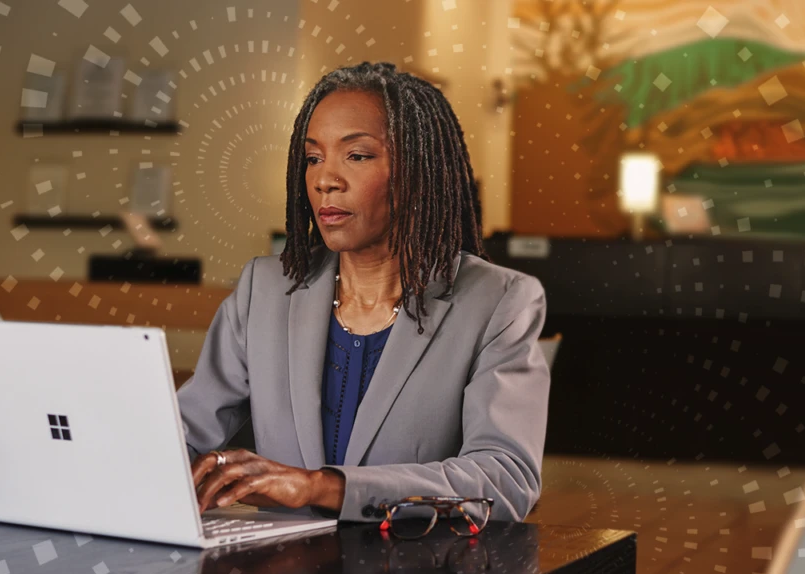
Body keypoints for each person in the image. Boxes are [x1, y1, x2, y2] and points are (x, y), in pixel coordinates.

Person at [177, 61, 550, 524]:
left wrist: (321, 486)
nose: (325, 180)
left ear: (419, 170)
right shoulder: (264, 290)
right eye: (314, 158)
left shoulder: (499, 303)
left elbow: (504, 480)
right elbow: (182, 433)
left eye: (356, 156)